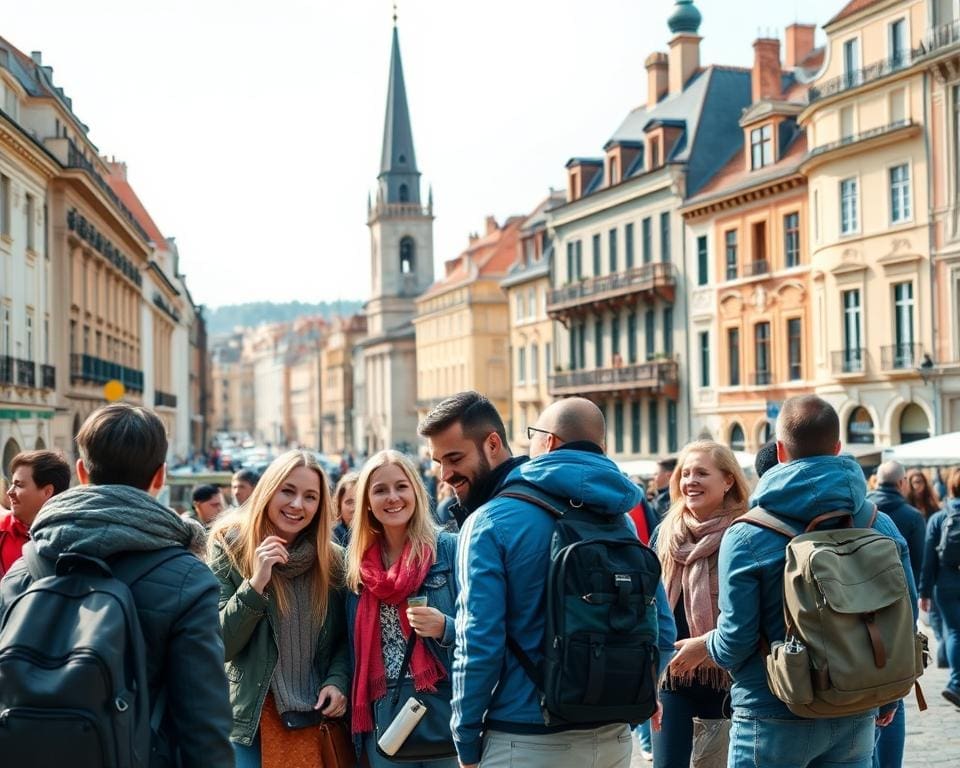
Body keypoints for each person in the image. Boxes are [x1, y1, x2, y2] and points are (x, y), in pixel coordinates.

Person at [419, 392, 676, 768]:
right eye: (439, 462)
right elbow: (663, 629)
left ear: (494, 443)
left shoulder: (490, 521)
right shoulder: (617, 516)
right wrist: (641, 693)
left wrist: (466, 738)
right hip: (613, 740)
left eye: (454, 458)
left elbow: (479, 644)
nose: (445, 475)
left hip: (524, 740)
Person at [671, 395, 916, 768]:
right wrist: (888, 696)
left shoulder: (748, 533)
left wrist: (704, 647)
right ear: (838, 448)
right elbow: (903, 618)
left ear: (780, 451)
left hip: (770, 710)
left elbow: (736, 641)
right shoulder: (878, 523)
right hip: (853, 706)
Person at [0, 404, 233, 766]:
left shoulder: (22, 570)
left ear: (81, 471)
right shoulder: (190, 579)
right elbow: (204, 724)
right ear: (160, 477)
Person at [209, 450, 349, 768]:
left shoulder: (333, 561)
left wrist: (338, 681)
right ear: (269, 490)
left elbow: (345, 639)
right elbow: (221, 643)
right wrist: (256, 582)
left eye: (310, 496)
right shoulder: (229, 545)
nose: (297, 504)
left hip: (315, 718)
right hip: (249, 721)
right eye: (287, 491)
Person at [344, 450, 458, 768]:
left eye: (401, 487)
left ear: (416, 493)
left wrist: (445, 627)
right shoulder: (354, 567)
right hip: (384, 710)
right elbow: (343, 645)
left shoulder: (448, 550)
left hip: (442, 702)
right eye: (380, 490)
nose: (392, 497)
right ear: (367, 500)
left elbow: (486, 628)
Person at [650, 441, 750, 768]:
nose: (690, 481)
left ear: (728, 481)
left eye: (702, 473)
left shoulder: (747, 534)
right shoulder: (665, 534)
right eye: (686, 473)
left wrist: (706, 646)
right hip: (672, 677)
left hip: (730, 678)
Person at [866, 460, 926, 768]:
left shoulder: (860, 512)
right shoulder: (909, 517)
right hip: (895, 614)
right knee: (891, 700)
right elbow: (915, 570)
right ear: (901, 483)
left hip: (855, 614)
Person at [919, 467, 960, 708]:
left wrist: (924, 591)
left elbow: (928, 559)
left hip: (945, 582)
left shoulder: (939, 517)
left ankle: (956, 683)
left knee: (955, 631)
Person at [1, 450, 71, 577]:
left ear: (47, 492)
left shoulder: (75, 536)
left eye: (19, 485)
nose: (9, 492)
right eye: (12, 484)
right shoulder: (2, 530)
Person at [332, 471, 359, 547]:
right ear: (339, 506)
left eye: (360, 502)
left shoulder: (378, 535)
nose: (355, 508)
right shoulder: (333, 539)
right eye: (349, 502)